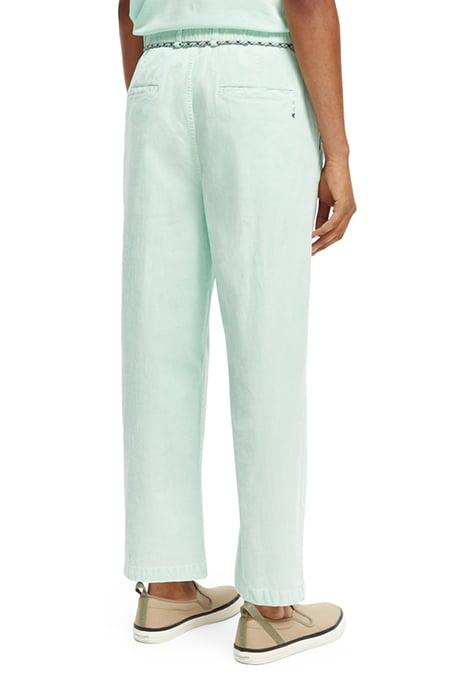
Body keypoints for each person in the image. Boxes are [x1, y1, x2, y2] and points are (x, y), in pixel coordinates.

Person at [119, 0, 356, 664]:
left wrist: (159, 96)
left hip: (157, 77)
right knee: (266, 339)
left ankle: (165, 584)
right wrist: (337, 153)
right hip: (253, 80)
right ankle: (272, 605)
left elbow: (124, 7)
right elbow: (306, 4)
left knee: (155, 338)